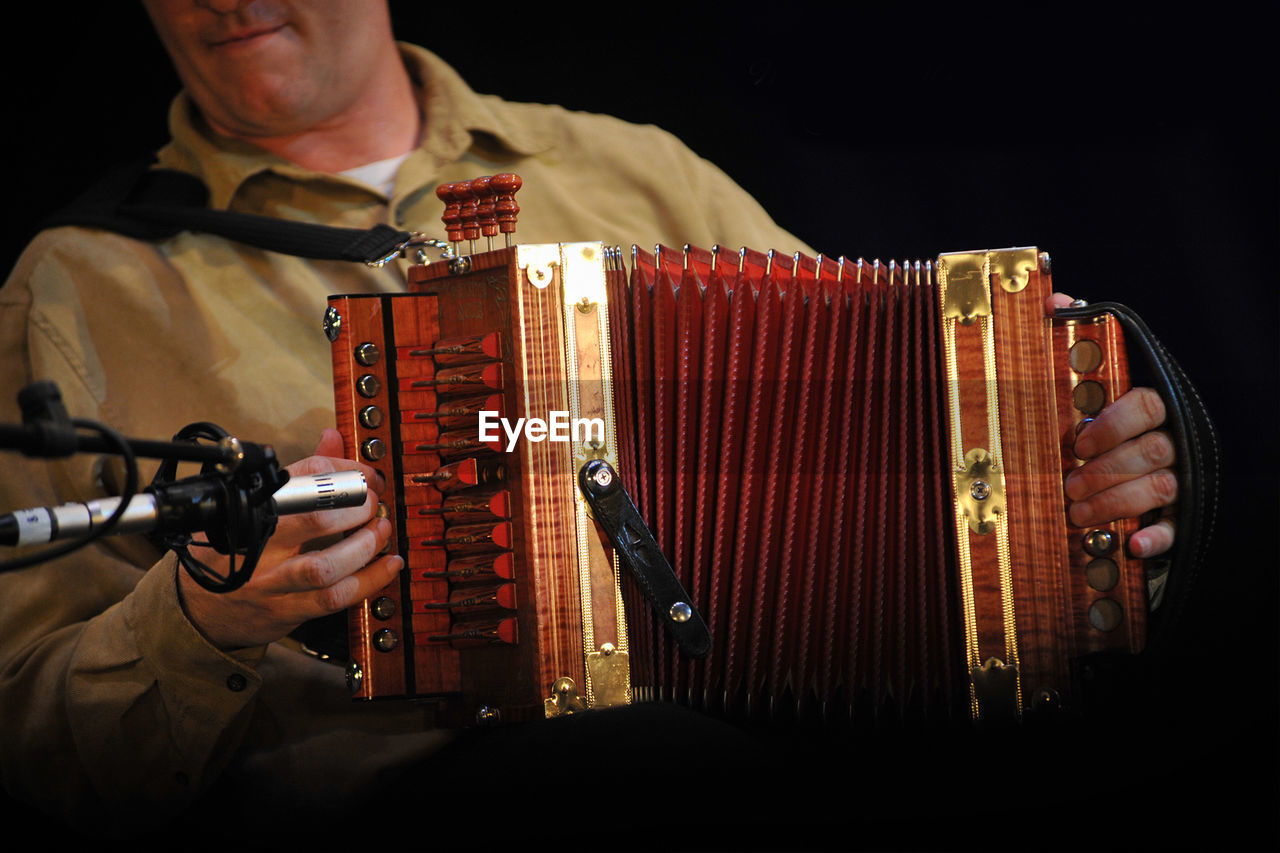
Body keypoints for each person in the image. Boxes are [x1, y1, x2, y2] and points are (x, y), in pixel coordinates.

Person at [0, 0, 1178, 839]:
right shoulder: (76, 286)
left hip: (773, 741)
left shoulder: (627, 167)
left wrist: (1061, 488)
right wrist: (205, 617)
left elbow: (913, 437)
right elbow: (34, 751)